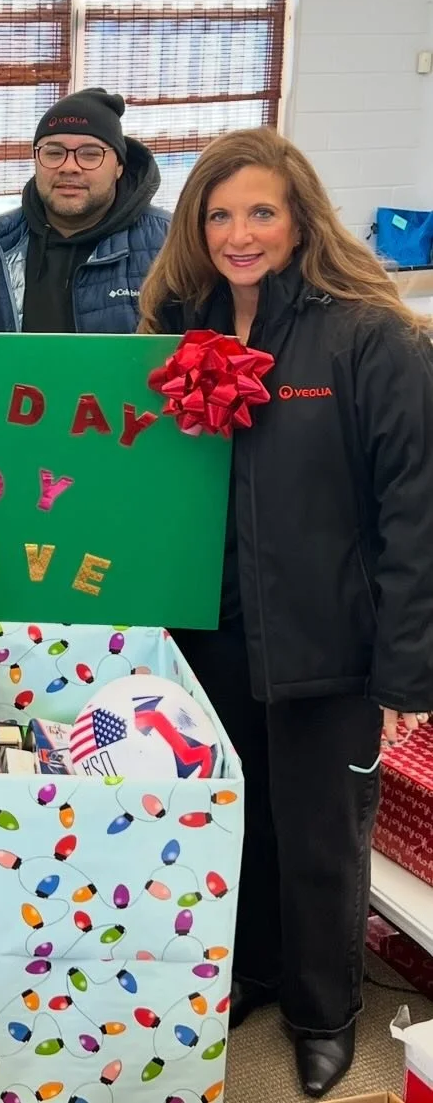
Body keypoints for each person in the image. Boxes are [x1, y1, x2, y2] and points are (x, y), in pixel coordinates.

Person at [138, 127, 433, 1098]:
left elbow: (414, 508)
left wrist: (407, 669)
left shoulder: (369, 335)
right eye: (218, 214)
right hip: (209, 632)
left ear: (300, 215)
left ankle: (323, 1013)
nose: (239, 232)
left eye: (260, 209)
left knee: (319, 837)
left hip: (326, 644)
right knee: (236, 820)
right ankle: (252, 970)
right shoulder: (183, 327)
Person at [0, 87, 169, 332]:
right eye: (54, 153)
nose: (69, 167)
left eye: (90, 154)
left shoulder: (167, 243)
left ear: (119, 166)